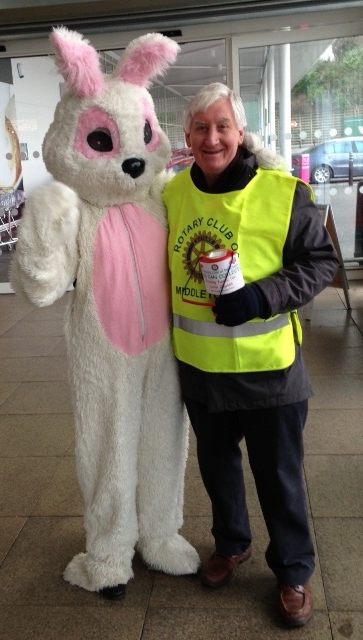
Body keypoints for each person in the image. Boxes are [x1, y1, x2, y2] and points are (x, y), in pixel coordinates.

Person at [162, 82, 339, 628]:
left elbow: (319, 264)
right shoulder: (170, 196)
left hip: (270, 370)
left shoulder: (284, 192)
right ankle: (231, 543)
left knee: (279, 475)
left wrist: (262, 297)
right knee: (217, 469)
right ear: (186, 136)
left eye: (222, 126)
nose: (211, 137)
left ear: (241, 134)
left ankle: (292, 571)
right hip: (199, 369)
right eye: (200, 127)